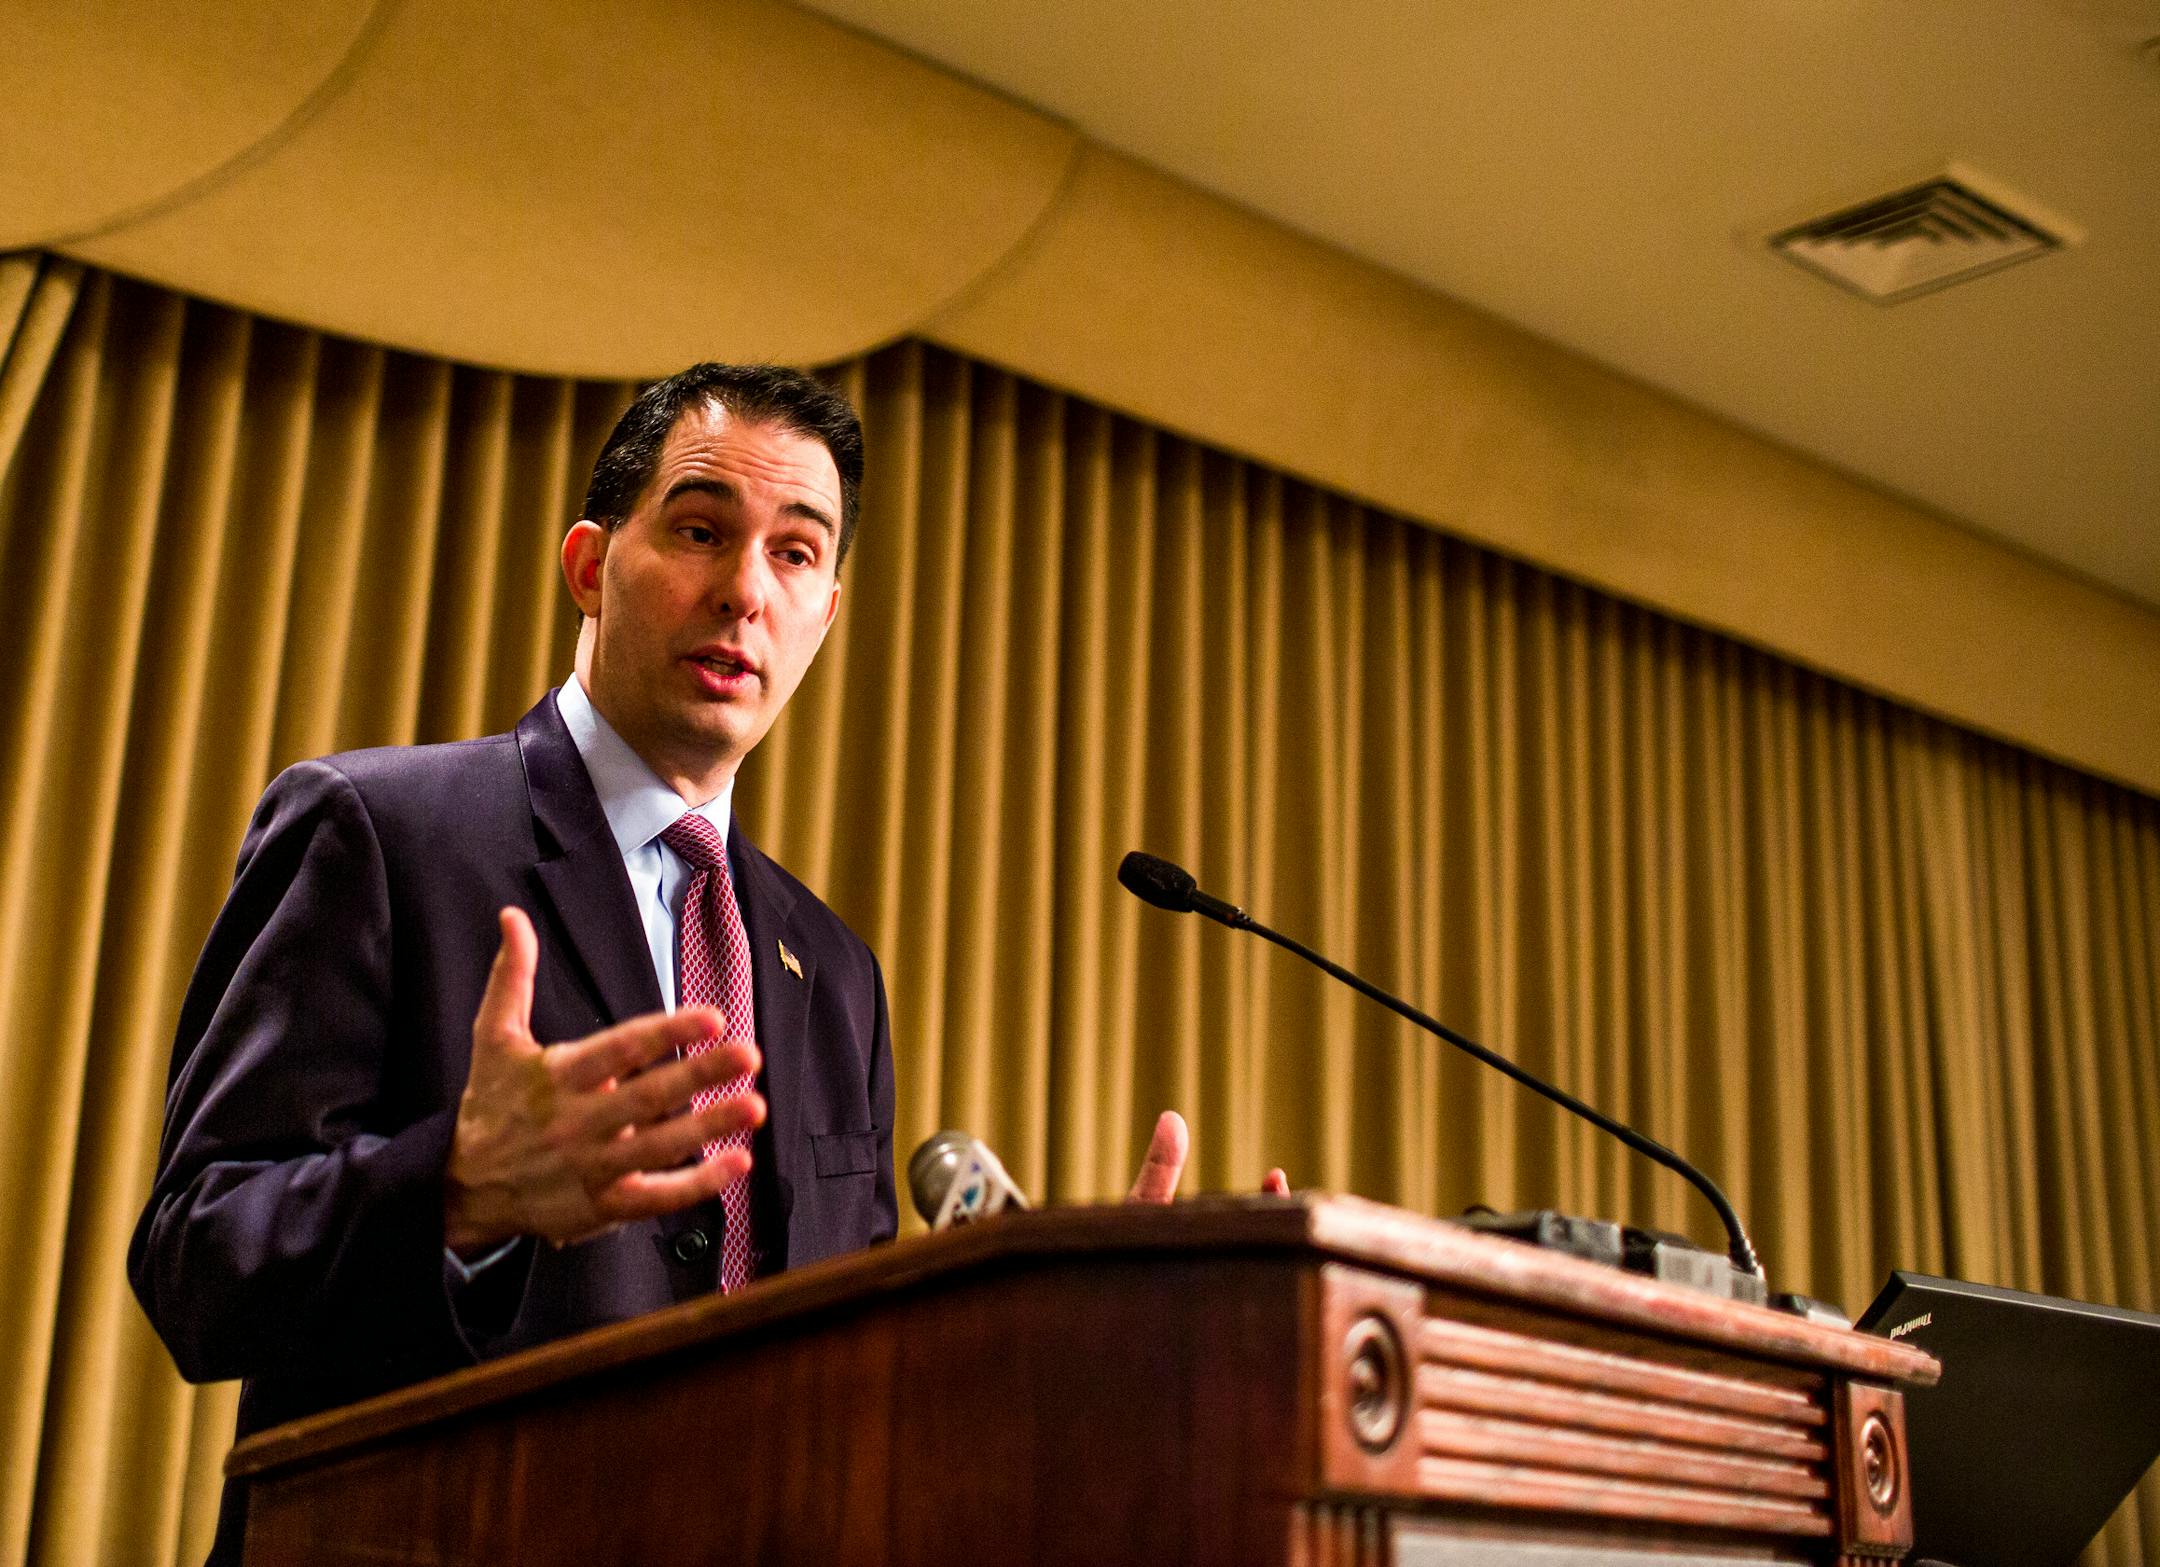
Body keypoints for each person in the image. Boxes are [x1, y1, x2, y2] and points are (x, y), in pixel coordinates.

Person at [130, 363, 1259, 1565]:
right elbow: (199, 1258)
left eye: (794, 556)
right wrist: (455, 1184)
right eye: (701, 530)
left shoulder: (833, 972)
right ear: (588, 565)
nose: (742, 593)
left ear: (827, 614)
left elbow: (848, 1370)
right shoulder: (378, 829)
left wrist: (1055, 1362)